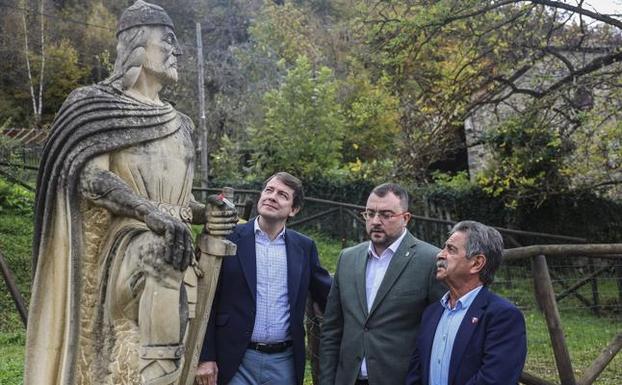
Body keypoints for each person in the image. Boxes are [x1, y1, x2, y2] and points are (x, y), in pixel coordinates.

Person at [24, 1, 237, 384]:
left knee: (172, 268)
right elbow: (91, 179)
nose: (177, 51)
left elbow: (179, 202)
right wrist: (148, 213)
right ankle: (157, 376)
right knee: (161, 255)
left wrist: (208, 213)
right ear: (137, 43)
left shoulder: (181, 123)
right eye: (168, 41)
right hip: (123, 243)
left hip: (176, 239)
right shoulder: (96, 104)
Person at [196, 172, 332, 385]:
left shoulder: (304, 248)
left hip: (283, 362)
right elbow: (206, 298)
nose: (272, 196)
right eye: (269, 190)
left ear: (293, 210)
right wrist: (205, 357)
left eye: (282, 195)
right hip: (233, 360)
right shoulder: (228, 238)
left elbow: (329, 296)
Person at [319, 183, 447, 385]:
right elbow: (332, 330)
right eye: (370, 214)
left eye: (386, 215)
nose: (376, 221)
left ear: (405, 218)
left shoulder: (430, 260)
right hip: (349, 379)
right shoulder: (347, 258)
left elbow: (442, 332)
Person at [405, 220, 527, 385]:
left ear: (476, 263)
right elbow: (416, 373)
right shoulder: (432, 312)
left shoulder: (502, 317)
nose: (440, 254)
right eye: (444, 248)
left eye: (451, 249)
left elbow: (495, 379)